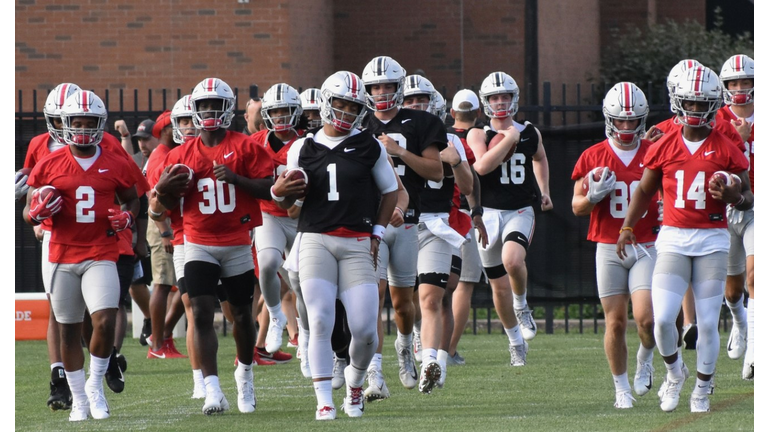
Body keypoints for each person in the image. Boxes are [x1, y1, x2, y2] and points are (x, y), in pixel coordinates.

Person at [617, 65, 752, 413]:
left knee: (707, 321)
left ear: (711, 104)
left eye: (700, 103)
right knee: (662, 319)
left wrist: (733, 197)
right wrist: (628, 227)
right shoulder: (663, 142)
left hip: (712, 239)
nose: (693, 109)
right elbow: (645, 192)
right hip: (674, 238)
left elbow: (747, 194)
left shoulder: (725, 144)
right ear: (678, 102)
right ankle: (675, 372)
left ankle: (703, 389)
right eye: (688, 102)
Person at [271, 70, 399, 420]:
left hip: (358, 241)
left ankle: (355, 386)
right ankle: (324, 400)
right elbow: (287, 202)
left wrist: (377, 232)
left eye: (352, 107)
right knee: (321, 318)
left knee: (365, 330)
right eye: (339, 105)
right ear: (326, 103)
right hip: (314, 238)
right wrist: (277, 192)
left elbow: (390, 191)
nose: (344, 113)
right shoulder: (302, 146)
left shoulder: (369, 144)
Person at [153, 77, 273, 415]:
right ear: (193, 110)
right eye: (203, 105)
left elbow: (270, 188)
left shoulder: (246, 146)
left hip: (236, 240)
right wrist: (164, 187)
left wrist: (237, 179)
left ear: (227, 110)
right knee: (202, 312)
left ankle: (245, 374)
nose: (208, 111)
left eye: (214, 105)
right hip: (197, 241)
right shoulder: (179, 154)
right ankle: (212, 389)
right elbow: (158, 206)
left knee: (241, 317)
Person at [23, 90, 141, 422]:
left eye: (90, 123)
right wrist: (37, 212)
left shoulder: (116, 160)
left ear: (100, 124)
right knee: (68, 329)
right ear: (66, 124)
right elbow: (29, 214)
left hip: (101, 250)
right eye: (77, 122)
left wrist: (128, 217)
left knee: (103, 319)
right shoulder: (48, 163)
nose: (84, 129)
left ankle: (95, 386)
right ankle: (78, 399)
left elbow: (133, 199)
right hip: (62, 254)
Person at [361, 55, 445, 391]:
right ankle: (374, 373)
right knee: (372, 296)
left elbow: (436, 171)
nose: (381, 92)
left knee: (402, 303)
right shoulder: (359, 124)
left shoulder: (421, 123)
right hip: (372, 223)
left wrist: (398, 151)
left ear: (399, 88)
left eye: (387, 86)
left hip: (409, 220)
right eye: (375, 86)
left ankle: (405, 344)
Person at [572, 82, 659, 409]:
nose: (626, 127)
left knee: (647, 319)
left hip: (645, 243)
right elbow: (576, 207)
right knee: (616, 321)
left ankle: (646, 355)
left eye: (633, 120)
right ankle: (621, 388)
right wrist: (593, 197)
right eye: (621, 121)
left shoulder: (653, 152)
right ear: (609, 119)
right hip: (608, 246)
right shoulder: (593, 156)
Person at [468, 71, 553, 366]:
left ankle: (522, 304)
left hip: (520, 209)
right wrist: (508, 139)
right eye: (494, 97)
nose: (501, 102)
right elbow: (481, 167)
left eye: (505, 96)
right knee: (497, 286)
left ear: (514, 98)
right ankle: (515, 342)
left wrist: (544, 190)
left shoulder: (529, 132)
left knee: (513, 261)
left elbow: (539, 158)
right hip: (488, 214)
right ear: (486, 101)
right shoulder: (478, 133)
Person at [399, 75, 473, 393]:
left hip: (437, 226)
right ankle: (408, 344)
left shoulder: (451, 140)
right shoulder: (392, 138)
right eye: (410, 100)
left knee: (434, 297)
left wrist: (456, 164)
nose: (416, 105)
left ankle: (434, 363)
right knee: (404, 301)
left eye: (421, 99)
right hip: (401, 224)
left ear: (434, 103)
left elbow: (468, 187)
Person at [19, 82, 81, 411]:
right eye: (56, 119)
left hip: (94, 237)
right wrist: (36, 222)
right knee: (58, 309)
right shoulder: (39, 145)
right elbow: (31, 198)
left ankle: (103, 363)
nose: (64, 127)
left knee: (93, 312)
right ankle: (59, 379)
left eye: (69, 119)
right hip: (56, 235)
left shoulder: (104, 145)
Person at [252, 82, 305, 362]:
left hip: (302, 217)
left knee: (303, 280)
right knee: (269, 264)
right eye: (276, 111)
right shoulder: (256, 142)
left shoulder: (309, 140)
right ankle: (275, 316)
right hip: (269, 213)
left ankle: (305, 334)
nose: (282, 117)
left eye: (286, 111)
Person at [717, 54, 755, 381]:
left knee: (756, 280)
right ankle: (740, 323)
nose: (740, 88)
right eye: (734, 83)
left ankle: (755, 352)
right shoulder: (716, 120)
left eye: (746, 81)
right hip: (728, 205)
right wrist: (739, 140)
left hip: (758, 205)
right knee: (732, 290)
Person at [446, 89, 487, 365]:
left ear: (451, 114)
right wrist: (477, 214)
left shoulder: (437, 137)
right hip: (459, 216)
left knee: (428, 285)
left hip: (431, 218)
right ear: (479, 113)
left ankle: (420, 340)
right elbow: (471, 182)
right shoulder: (466, 141)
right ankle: (447, 350)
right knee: (464, 283)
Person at [142, 111, 188, 360]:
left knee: (184, 283)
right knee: (161, 284)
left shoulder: (164, 154)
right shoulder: (162, 156)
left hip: (168, 223)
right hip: (162, 224)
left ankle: (163, 336)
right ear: (168, 130)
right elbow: (156, 198)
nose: (187, 127)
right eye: (181, 124)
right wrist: (165, 233)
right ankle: (158, 343)